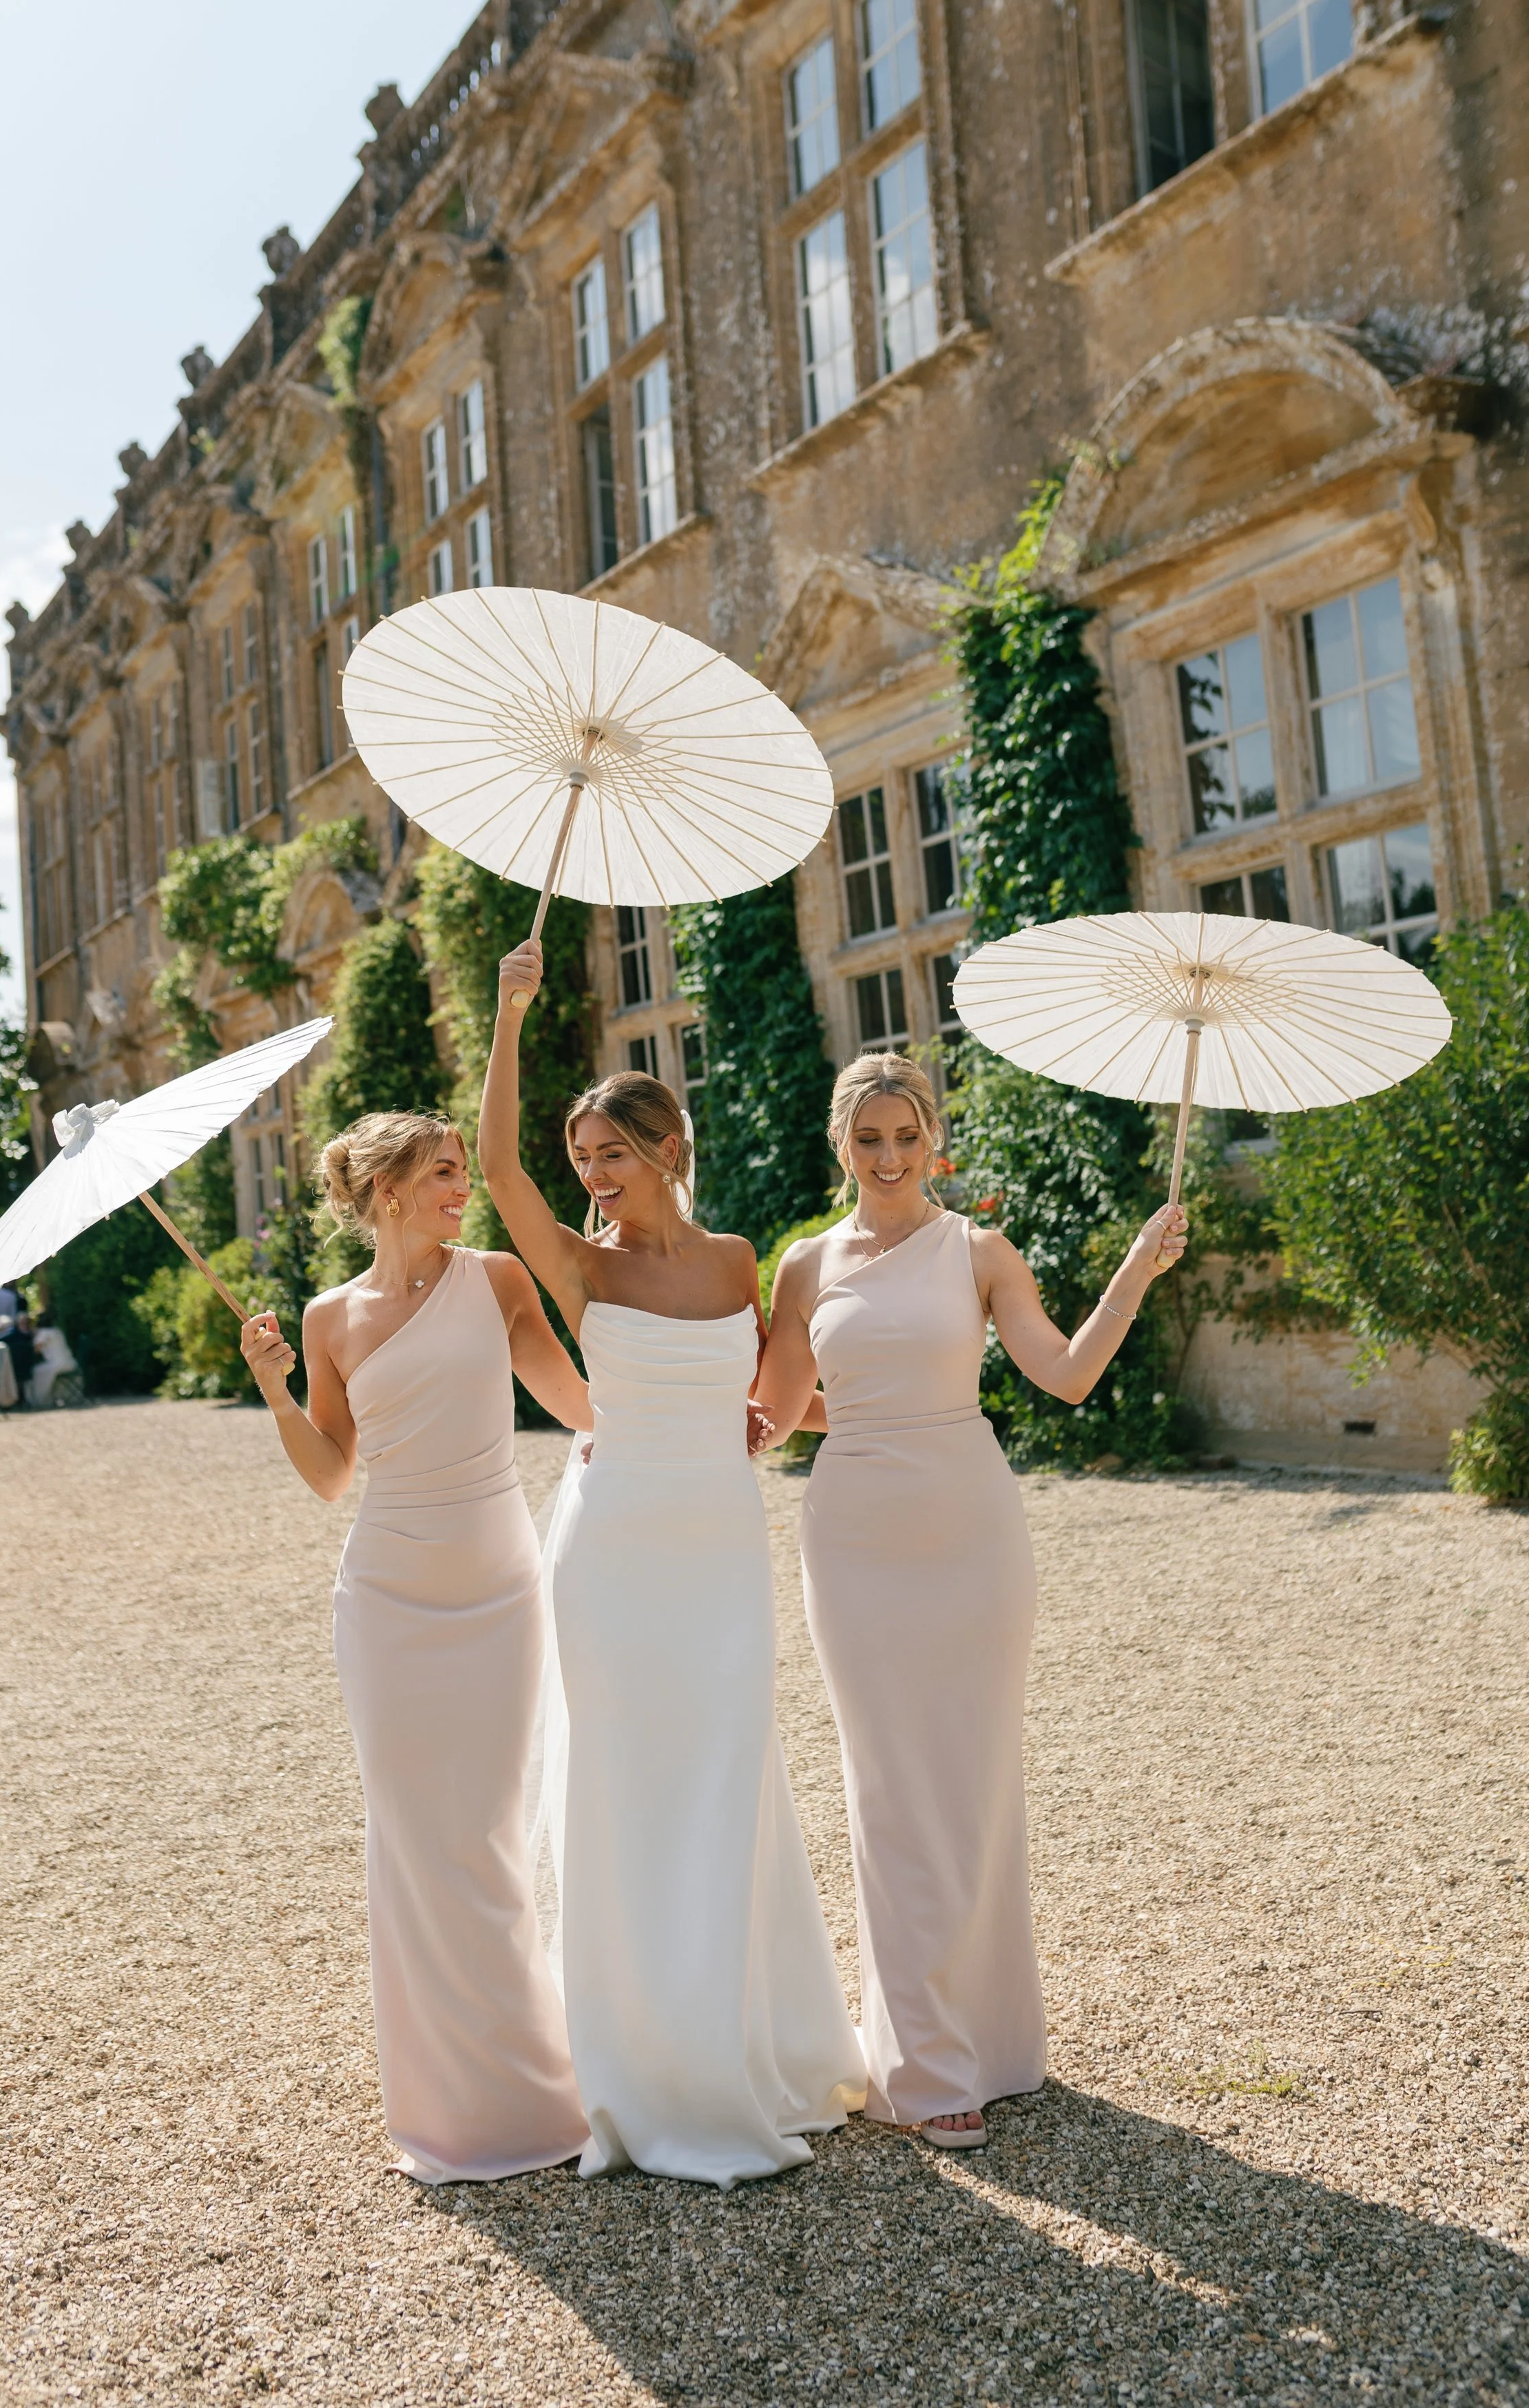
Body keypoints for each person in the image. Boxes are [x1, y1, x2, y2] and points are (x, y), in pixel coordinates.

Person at [478, 937, 865, 2188]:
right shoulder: (583, 1267)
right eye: (582, 1155)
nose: (591, 1170)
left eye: (611, 1151)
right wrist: (507, 1017)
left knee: (729, 1778)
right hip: (616, 1547)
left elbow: (767, 1396)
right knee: (624, 1787)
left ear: (666, 1152)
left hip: (719, 1549)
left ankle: (740, 2038)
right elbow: (493, 1167)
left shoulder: (737, 1259)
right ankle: (637, 2061)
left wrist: (855, 1411)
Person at [754, 1050, 1187, 2152]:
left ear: (934, 1139)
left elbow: (1069, 1373)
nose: (891, 1157)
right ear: (840, 1144)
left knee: (977, 1780)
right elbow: (783, 1409)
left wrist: (1135, 1266)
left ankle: (990, 2043)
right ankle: (928, 2061)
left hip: (971, 1533)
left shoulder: (980, 1250)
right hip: (854, 1539)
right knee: (889, 1787)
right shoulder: (804, 1266)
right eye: (870, 1139)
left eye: (908, 1136)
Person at [238, 1110, 591, 2183]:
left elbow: (581, 1401)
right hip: (386, 1599)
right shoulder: (327, 1316)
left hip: (496, 1591)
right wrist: (272, 1384)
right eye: (442, 1172)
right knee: (411, 1838)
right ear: (387, 1189)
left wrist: (690, 1411)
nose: (461, 1187)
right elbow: (332, 1473)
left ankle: (530, 2095)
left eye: (458, 1170)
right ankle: (444, 2107)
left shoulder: (496, 1281)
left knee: (483, 1831)